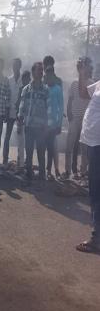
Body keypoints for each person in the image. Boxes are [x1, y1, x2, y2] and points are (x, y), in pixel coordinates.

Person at [76, 80, 100, 253]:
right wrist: (81, 73)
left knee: (97, 192)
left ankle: (97, 238)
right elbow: (84, 93)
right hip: (93, 145)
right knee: (95, 191)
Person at [63, 57, 94, 180]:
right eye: (80, 67)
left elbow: (91, 102)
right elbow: (70, 99)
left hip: (85, 120)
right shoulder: (74, 83)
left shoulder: (91, 83)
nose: (81, 69)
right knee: (69, 146)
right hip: (74, 118)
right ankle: (67, 171)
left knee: (84, 147)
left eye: (83, 67)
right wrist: (69, 113)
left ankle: (83, 172)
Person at [19, 62, 49, 184]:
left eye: (42, 70)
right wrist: (20, 117)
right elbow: (22, 105)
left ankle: (42, 174)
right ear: (33, 72)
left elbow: (49, 108)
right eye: (39, 70)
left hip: (41, 126)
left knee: (41, 150)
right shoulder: (26, 89)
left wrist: (48, 124)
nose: (41, 73)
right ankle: (29, 173)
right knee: (29, 150)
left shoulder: (46, 90)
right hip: (29, 125)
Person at [45, 65, 64, 180]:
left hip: (53, 125)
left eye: (50, 75)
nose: (49, 78)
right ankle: (47, 170)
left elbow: (61, 108)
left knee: (51, 148)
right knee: (46, 148)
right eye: (47, 76)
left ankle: (51, 170)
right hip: (44, 124)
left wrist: (59, 124)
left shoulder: (57, 89)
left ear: (53, 75)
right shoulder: (44, 88)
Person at [3, 58, 22, 166]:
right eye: (13, 66)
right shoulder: (9, 80)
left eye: (17, 65)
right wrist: (6, 111)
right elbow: (6, 96)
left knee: (20, 137)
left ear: (20, 66)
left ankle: (20, 160)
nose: (15, 67)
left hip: (20, 113)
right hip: (10, 111)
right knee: (7, 136)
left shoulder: (23, 80)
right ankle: (5, 158)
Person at [15, 70, 31, 173]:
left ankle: (26, 163)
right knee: (20, 143)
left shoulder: (32, 89)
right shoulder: (21, 89)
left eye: (26, 79)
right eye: (23, 79)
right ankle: (20, 164)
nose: (25, 80)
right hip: (21, 120)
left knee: (28, 144)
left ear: (29, 79)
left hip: (29, 121)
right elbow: (18, 104)